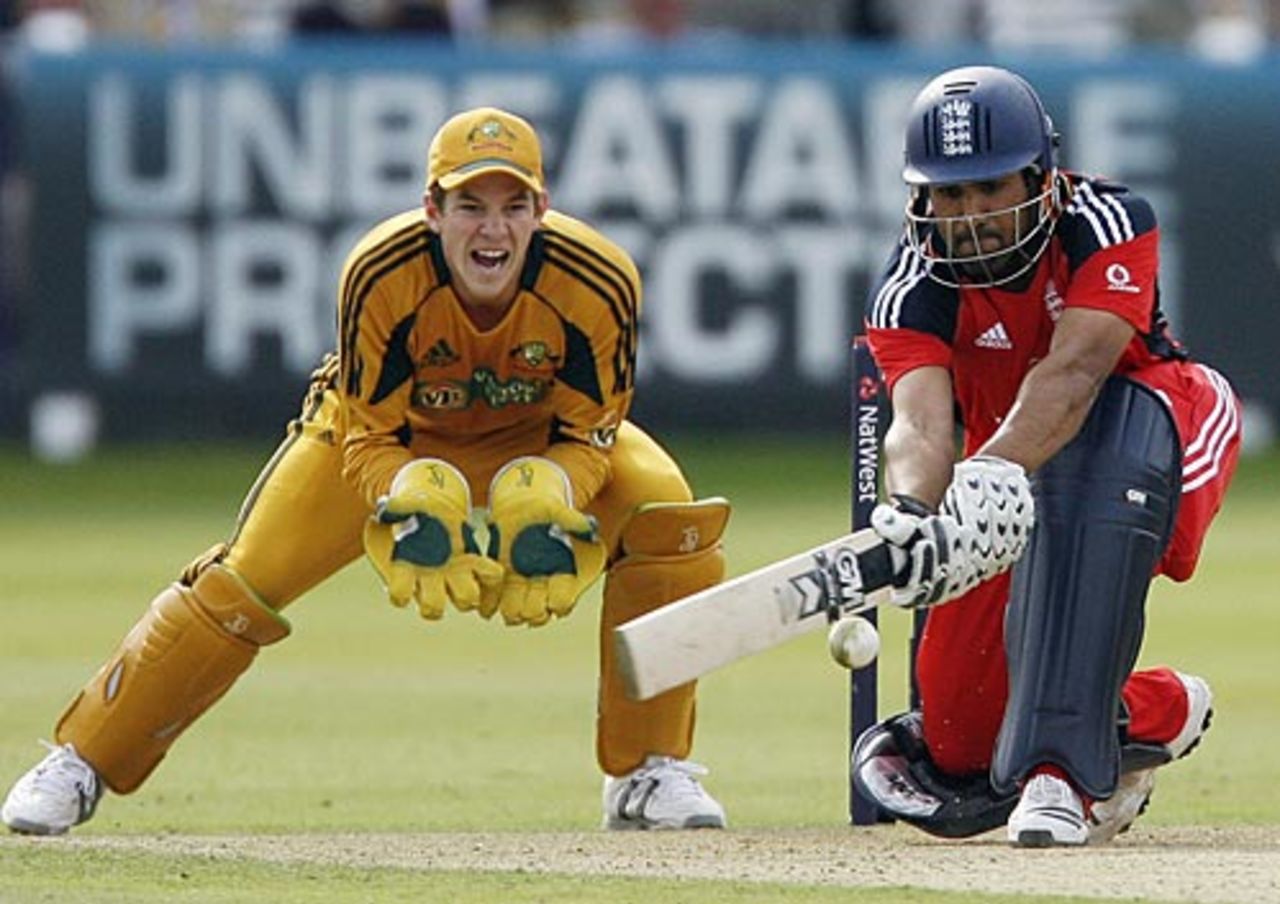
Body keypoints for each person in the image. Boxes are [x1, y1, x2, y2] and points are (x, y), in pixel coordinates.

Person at [2, 106, 731, 835]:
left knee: (667, 514)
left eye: (513, 207)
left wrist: (553, 489)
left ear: (541, 210)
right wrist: (407, 492)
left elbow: (589, 433)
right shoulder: (382, 270)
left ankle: (647, 771)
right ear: (432, 211)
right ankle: (80, 760)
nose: (492, 230)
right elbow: (366, 434)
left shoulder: (598, 280)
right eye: (470, 206)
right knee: (242, 581)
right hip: (395, 439)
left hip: (536, 438)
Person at [851, 65, 1240, 847]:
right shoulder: (909, 282)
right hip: (1006, 467)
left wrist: (991, 473)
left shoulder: (1109, 219)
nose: (969, 216)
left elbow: (1075, 377)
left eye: (990, 188)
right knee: (963, 747)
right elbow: (920, 425)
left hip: (1155, 424)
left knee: (1084, 490)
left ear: (1041, 174)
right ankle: (1153, 708)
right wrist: (915, 515)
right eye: (949, 195)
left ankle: (1059, 775)